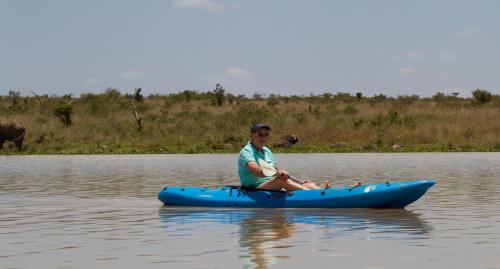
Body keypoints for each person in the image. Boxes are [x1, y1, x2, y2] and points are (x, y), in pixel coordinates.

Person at [238, 123, 325, 191]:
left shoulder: (267, 151)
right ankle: (314, 195)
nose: (263, 137)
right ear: (252, 135)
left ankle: (321, 191)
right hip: (254, 188)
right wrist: (276, 173)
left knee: (307, 184)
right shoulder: (246, 151)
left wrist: (300, 182)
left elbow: (278, 171)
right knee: (280, 180)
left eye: (266, 134)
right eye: (260, 134)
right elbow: (256, 171)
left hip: (271, 185)